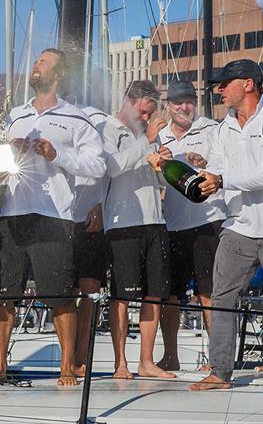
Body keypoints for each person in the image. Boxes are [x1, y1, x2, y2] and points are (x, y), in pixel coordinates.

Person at [0, 49, 106, 387]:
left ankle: (67, 367)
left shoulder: (78, 119)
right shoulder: (12, 116)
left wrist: (58, 153)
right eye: (35, 60)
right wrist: (9, 154)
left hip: (54, 216)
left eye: (44, 61)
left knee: (61, 295)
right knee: (5, 295)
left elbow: (98, 166)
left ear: (59, 74)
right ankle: (0, 367)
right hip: (12, 212)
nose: (35, 64)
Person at [190, 59, 263, 397]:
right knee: (222, 298)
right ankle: (220, 372)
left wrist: (222, 180)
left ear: (248, 84)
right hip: (237, 225)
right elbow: (213, 170)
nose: (219, 89)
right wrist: (194, 181)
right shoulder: (222, 128)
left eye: (225, 82)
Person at [102, 79, 174, 380]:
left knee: (154, 294)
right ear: (129, 102)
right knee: (121, 296)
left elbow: (161, 184)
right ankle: (120, 363)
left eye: (149, 114)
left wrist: (164, 167)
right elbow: (112, 167)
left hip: (154, 220)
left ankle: (146, 361)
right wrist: (146, 142)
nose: (146, 119)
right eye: (143, 112)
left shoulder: (149, 137)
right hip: (122, 223)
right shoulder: (108, 129)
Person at [152, 80, 225, 371]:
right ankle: (171, 356)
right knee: (171, 294)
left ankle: (216, 359)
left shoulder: (212, 129)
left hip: (208, 221)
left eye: (189, 101)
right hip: (172, 223)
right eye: (178, 102)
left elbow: (225, 164)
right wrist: (159, 160)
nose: (185, 107)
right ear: (167, 105)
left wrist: (205, 161)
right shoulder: (159, 135)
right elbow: (156, 177)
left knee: (209, 291)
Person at [70, 105, 110, 374]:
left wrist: (102, 205)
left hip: (89, 218)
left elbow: (110, 166)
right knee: (62, 290)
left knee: (89, 290)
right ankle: (66, 360)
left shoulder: (99, 118)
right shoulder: (41, 113)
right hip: (56, 217)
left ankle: (80, 358)